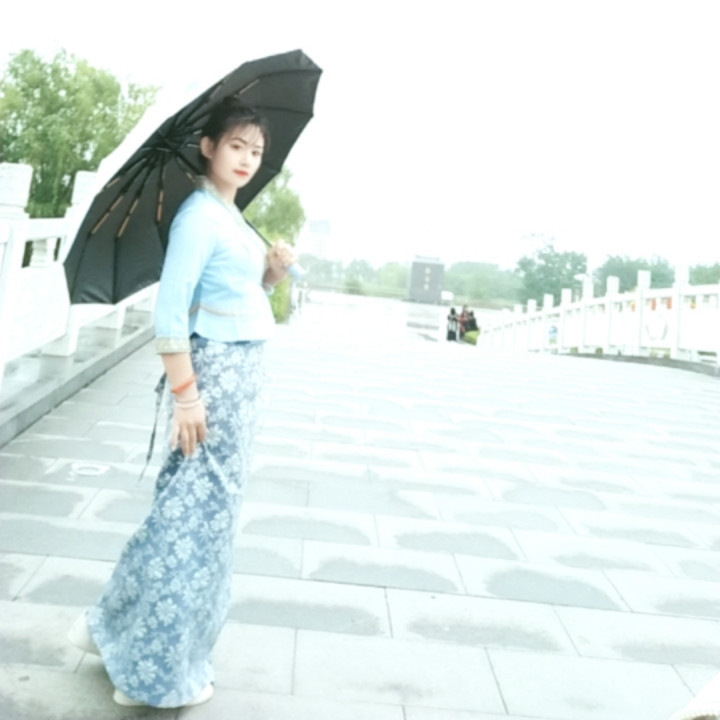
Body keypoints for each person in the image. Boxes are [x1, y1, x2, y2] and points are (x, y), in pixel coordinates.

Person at [67, 98, 295, 709]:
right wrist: (187, 397)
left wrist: (271, 274)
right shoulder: (198, 217)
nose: (247, 159)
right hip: (213, 379)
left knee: (189, 513)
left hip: (239, 379)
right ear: (208, 147)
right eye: (236, 146)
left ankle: (109, 625)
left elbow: (236, 292)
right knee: (194, 523)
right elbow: (171, 311)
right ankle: (150, 671)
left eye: (256, 150)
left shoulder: (229, 214)